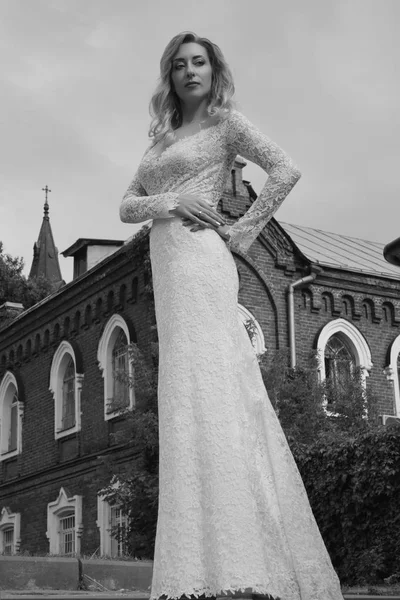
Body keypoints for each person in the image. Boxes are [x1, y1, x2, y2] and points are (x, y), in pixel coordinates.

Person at [120, 32, 344, 600]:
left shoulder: (228, 124)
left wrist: (241, 234)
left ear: (213, 70)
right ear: (168, 76)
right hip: (167, 269)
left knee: (218, 388)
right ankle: (201, 564)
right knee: (186, 394)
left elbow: (286, 170)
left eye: (199, 62)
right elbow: (125, 205)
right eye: (179, 64)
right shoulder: (160, 138)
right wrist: (170, 202)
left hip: (201, 260)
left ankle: (245, 559)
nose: (189, 71)